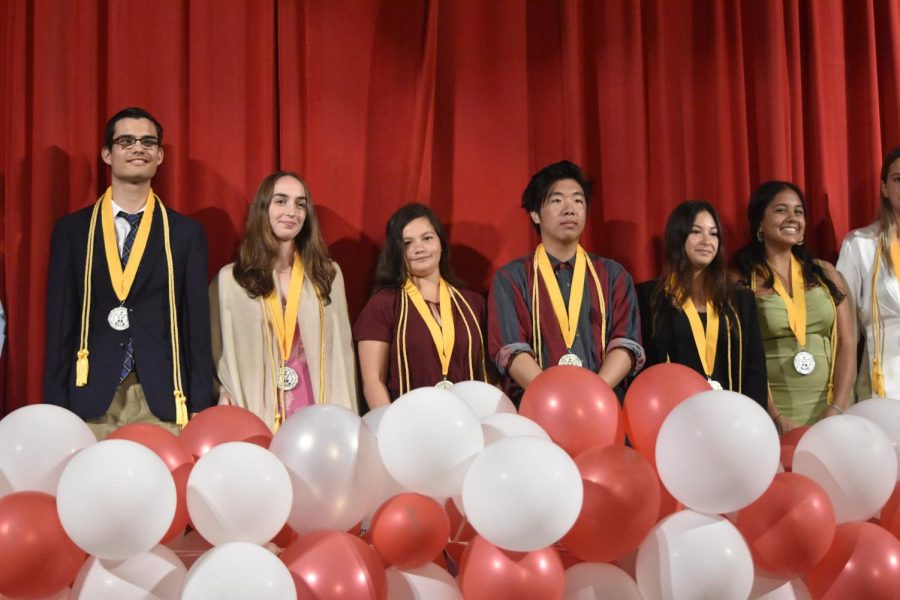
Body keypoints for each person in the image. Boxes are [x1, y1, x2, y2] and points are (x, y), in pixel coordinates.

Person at [44, 107, 213, 438]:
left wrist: (200, 403)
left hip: (164, 398)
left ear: (160, 155)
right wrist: (55, 409)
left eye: (148, 141)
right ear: (107, 153)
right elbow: (61, 325)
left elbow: (196, 326)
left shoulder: (184, 234)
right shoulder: (74, 232)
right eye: (126, 141)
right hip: (91, 400)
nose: (139, 148)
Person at [488, 160, 644, 404]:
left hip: (604, 405)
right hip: (536, 408)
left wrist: (591, 397)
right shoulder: (511, 278)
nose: (569, 209)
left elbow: (626, 344)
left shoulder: (614, 276)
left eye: (578, 201)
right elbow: (511, 350)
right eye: (557, 200)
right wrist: (557, 400)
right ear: (535, 214)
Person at [210, 172, 358, 429]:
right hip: (259, 410)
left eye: (300, 204)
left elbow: (341, 357)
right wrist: (220, 389)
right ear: (263, 209)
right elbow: (218, 353)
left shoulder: (327, 275)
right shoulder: (232, 280)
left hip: (316, 413)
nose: (292, 211)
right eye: (281, 201)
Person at [733, 181, 855, 432]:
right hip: (771, 418)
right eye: (781, 210)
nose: (792, 218)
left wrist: (837, 408)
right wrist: (776, 418)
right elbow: (740, 356)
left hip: (831, 413)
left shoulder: (826, 273)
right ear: (759, 222)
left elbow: (848, 343)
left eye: (798, 212)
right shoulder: (740, 279)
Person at [354, 203, 489, 409]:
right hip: (410, 428)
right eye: (407, 243)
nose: (419, 249)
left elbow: (489, 375)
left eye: (427, 238)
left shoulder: (473, 303)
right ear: (396, 251)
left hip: (468, 422)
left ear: (441, 243)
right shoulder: (383, 304)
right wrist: (390, 429)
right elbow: (373, 381)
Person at [636, 201, 767, 408]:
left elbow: (755, 371)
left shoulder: (741, 300)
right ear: (678, 237)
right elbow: (646, 369)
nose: (707, 241)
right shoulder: (649, 296)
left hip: (733, 418)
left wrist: (755, 417)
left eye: (713, 233)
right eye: (696, 232)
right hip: (675, 415)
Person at [837, 147, 900, 400]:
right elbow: (844, 327)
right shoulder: (860, 244)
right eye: (898, 179)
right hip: (882, 387)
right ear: (885, 188)